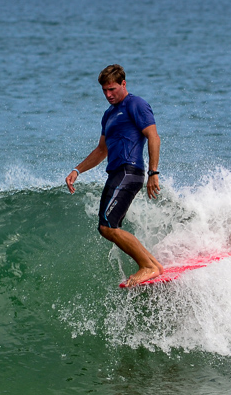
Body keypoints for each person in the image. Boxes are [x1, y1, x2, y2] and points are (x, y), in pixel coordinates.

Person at [65, 64, 164, 286]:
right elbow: (102, 150)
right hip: (115, 174)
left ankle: (148, 267)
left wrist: (153, 172)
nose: (108, 95)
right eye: (104, 91)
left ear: (123, 84)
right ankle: (154, 265)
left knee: (108, 226)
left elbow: (154, 137)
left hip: (130, 171)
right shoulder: (108, 115)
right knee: (107, 227)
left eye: (112, 89)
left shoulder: (135, 104)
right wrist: (77, 170)